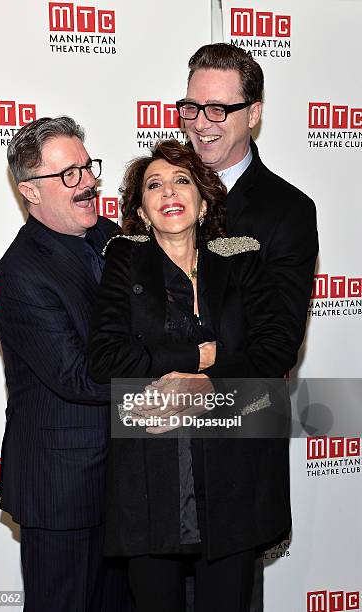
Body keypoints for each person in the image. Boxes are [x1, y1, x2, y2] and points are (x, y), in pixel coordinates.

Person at [88, 139, 298, 612]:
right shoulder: (124, 261)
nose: (169, 192)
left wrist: (210, 381)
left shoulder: (240, 257)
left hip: (234, 476)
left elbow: (274, 349)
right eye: (154, 185)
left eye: (182, 181)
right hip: (151, 479)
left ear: (203, 202)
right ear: (142, 211)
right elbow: (105, 357)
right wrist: (200, 355)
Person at [176, 43, 319, 610]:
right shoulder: (156, 192)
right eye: (191, 107)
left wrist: (195, 369)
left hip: (233, 454)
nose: (201, 123)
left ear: (252, 113)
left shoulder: (287, 209)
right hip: (152, 457)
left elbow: (278, 341)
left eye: (218, 109)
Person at [0, 116, 131, 612]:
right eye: (69, 174)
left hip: (127, 484)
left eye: (87, 167)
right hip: (63, 493)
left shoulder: (112, 238)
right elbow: (77, 375)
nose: (89, 181)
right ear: (31, 192)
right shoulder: (21, 273)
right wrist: (171, 377)